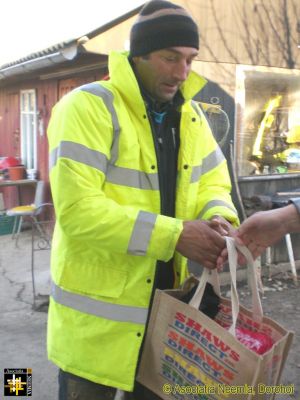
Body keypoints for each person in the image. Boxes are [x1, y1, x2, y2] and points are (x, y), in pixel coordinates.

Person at [47, 1, 239, 399]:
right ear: (138, 55)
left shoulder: (191, 117)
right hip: (98, 325)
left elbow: (214, 184)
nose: (182, 72)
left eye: (189, 59)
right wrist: (176, 236)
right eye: (170, 58)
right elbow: (77, 212)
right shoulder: (88, 107)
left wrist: (219, 218)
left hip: (168, 314)